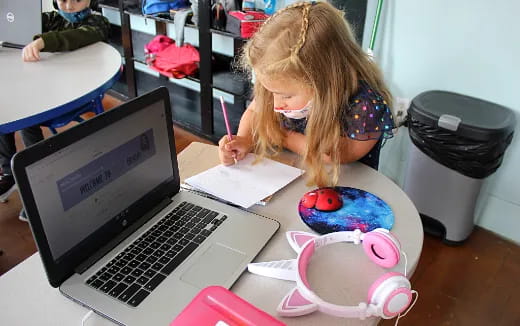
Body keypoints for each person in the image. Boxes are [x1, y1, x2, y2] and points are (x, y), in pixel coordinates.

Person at [218, 1, 395, 187]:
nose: (276, 104)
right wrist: (244, 139)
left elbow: (338, 154)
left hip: (348, 192)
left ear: (323, 82)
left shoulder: (365, 105)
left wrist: (282, 136)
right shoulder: (281, 85)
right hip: (292, 180)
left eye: (286, 96)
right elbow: (255, 111)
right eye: (271, 93)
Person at [0, 0, 110, 219]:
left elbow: (78, 36)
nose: (68, 6)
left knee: (25, 115)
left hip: (75, 96)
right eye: (62, 0)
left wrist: (42, 42)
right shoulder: (51, 19)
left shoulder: (98, 22)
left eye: (76, 0)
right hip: (45, 90)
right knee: (9, 110)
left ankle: (43, 187)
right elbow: (20, 26)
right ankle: (8, 170)